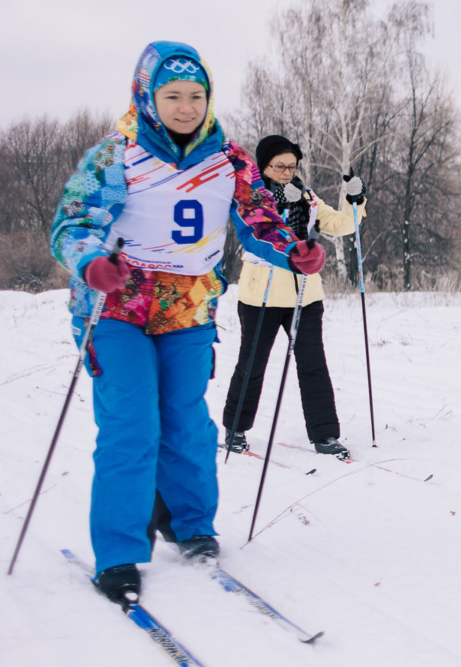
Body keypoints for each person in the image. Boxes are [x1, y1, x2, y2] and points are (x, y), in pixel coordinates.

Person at [49, 42, 323, 606]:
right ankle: (120, 552)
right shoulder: (116, 154)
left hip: (188, 308)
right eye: (171, 96)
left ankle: (192, 525)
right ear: (147, 96)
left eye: (196, 96)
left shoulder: (229, 157)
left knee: (186, 422)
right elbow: (72, 223)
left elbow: (258, 220)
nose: (184, 107)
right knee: (131, 423)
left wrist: (294, 249)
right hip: (117, 307)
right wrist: (91, 261)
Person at [221, 135, 365, 460]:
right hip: (261, 295)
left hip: (305, 294)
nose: (287, 172)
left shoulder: (309, 198)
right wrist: (283, 206)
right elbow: (259, 232)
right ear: (264, 167)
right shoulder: (252, 200)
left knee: (313, 364)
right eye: (279, 166)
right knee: (253, 364)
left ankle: (325, 434)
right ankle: (235, 428)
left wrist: (354, 199)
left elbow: (342, 225)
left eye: (292, 166)